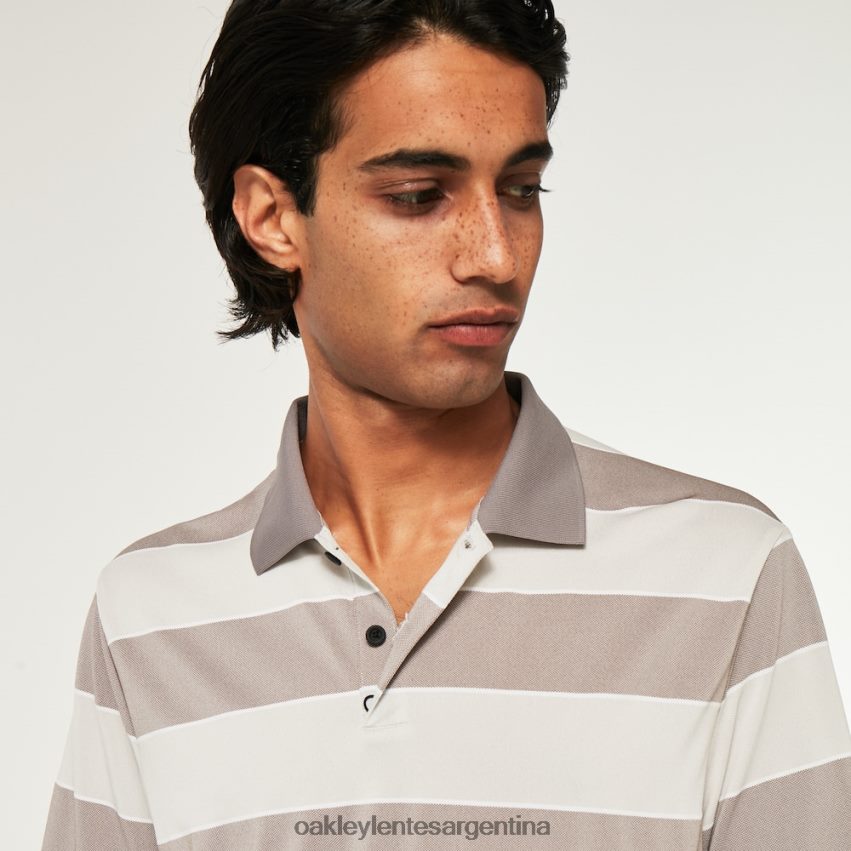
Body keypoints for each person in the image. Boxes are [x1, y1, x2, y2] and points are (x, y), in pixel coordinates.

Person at [41, 1, 851, 848]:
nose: (495, 255)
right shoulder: (150, 614)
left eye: (521, 189)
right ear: (272, 218)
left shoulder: (725, 571)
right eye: (419, 195)